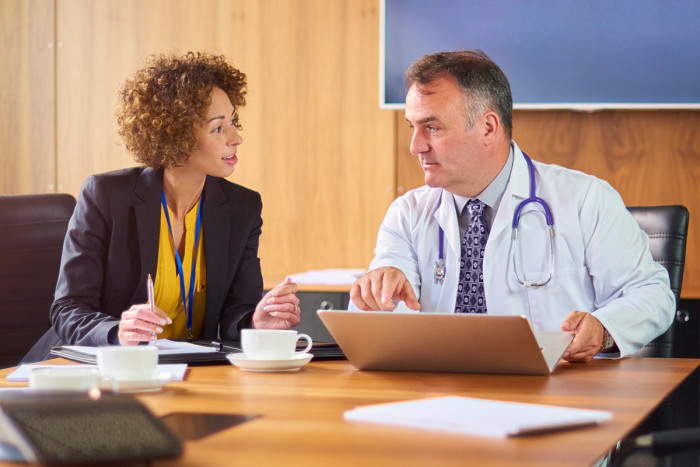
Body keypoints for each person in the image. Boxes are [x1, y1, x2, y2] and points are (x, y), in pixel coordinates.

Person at [350, 50, 674, 362]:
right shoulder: (407, 213)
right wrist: (377, 289)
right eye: (413, 127)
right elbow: (386, 298)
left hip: (555, 396)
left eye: (432, 127)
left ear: (488, 128)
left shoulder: (585, 199)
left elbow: (653, 296)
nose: (415, 146)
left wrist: (603, 330)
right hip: (439, 397)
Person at [24, 52, 301, 362]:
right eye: (218, 128)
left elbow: (236, 312)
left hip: (183, 372)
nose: (236, 138)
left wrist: (256, 322)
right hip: (95, 369)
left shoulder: (242, 207)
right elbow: (67, 310)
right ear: (178, 135)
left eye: (233, 122)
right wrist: (118, 331)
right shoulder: (106, 197)